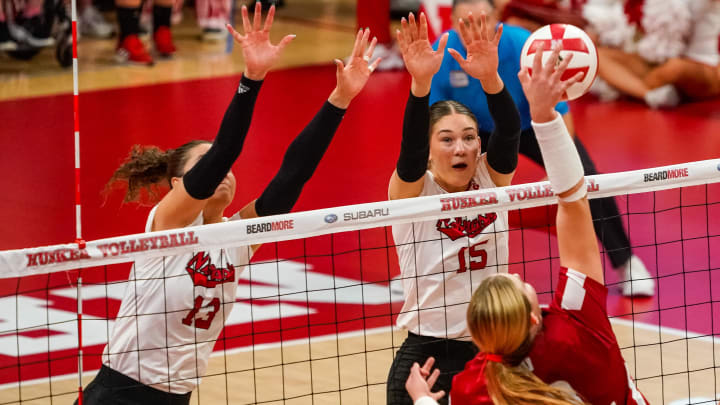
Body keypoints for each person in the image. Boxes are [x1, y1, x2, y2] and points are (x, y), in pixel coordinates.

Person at [77, 6, 380, 404]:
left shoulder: (237, 238)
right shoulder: (167, 226)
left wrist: (340, 99)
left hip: (178, 395)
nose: (221, 170)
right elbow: (225, 151)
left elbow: (291, 178)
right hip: (118, 393)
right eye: (202, 166)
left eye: (224, 168)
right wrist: (252, 77)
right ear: (176, 185)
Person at [406, 43, 648, 405]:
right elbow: (574, 202)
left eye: (469, 136)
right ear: (535, 317)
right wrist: (545, 115)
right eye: (518, 283)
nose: (517, 274)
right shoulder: (577, 322)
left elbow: (507, 134)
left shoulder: (475, 386)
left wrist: (424, 402)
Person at [431, 0, 655, 297]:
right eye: (464, 24)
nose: (473, 31)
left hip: (528, 124)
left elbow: (560, 112)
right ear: (454, 22)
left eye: (480, 21)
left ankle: (627, 262)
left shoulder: (525, 45)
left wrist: (562, 161)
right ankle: (429, 269)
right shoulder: (444, 52)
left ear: (497, 17)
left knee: (585, 177)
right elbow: (434, 119)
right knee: (434, 185)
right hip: (475, 132)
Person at [386, 11, 522, 405]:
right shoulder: (412, 191)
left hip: (495, 349)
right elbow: (409, 149)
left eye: (468, 137)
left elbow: (511, 129)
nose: (460, 148)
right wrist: (420, 83)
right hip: (430, 357)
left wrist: (491, 78)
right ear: (429, 152)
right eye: (446, 140)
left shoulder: (491, 178)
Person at [589, 0, 720, 108]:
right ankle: (648, 94)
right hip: (657, 63)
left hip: (702, 67)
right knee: (595, 55)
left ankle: (628, 85)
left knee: (674, 68)